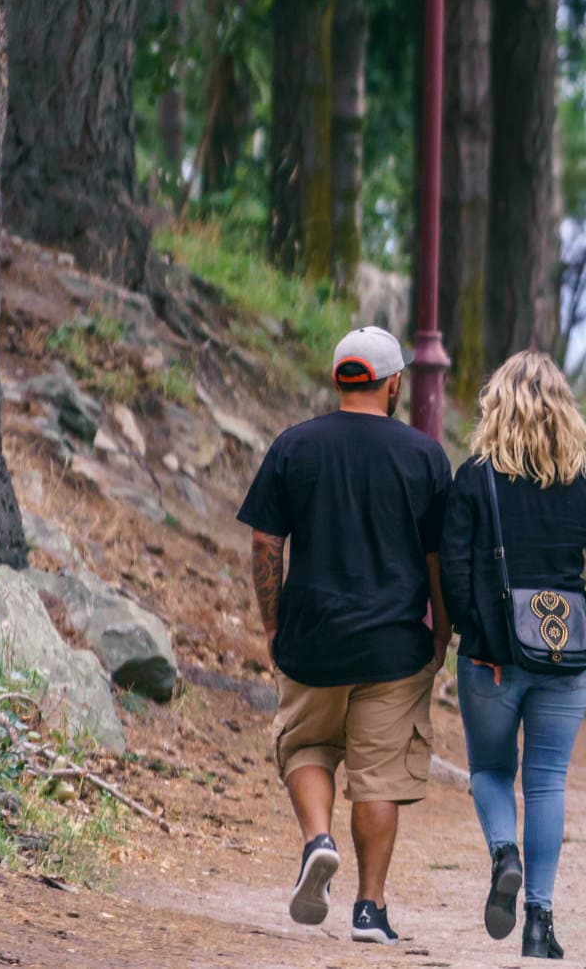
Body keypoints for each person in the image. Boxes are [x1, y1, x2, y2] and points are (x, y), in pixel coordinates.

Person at [237, 327, 452, 947]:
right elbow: (438, 558)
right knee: (379, 777)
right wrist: (442, 630)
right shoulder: (423, 456)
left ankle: (317, 842)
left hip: (312, 640)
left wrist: (273, 623)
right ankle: (369, 910)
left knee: (306, 745)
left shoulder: (294, 446)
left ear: (338, 380)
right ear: (392, 385)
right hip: (394, 647)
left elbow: (264, 541)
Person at [441, 350, 586, 960]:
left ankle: (504, 853)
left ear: (498, 405)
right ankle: (540, 924)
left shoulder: (475, 477)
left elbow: (458, 575)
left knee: (490, 772)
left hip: (492, 661)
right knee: (547, 783)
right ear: (564, 412)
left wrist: (484, 644)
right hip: (566, 660)